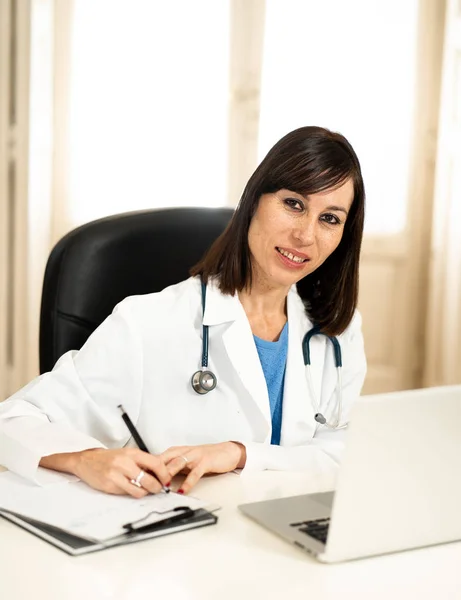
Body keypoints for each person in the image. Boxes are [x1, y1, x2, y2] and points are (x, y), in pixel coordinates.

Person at [0, 125, 366, 497]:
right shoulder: (148, 323)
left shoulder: (337, 330)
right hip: (179, 540)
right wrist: (87, 457)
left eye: (330, 218)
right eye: (294, 204)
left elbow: (345, 453)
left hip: (285, 536)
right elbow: (14, 420)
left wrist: (239, 454)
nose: (305, 235)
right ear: (255, 200)